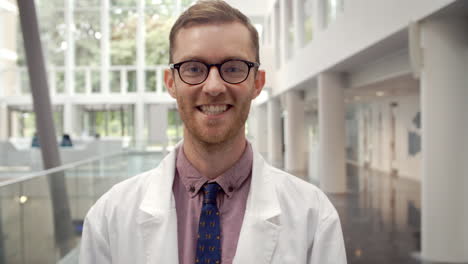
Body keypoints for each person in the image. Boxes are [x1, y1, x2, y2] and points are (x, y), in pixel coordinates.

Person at [79, 1, 346, 263]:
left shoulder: (313, 216)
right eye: (194, 69)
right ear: (171, 83)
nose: (214, 86)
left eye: (233, 68)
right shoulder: (110, 216)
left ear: (257, 83)